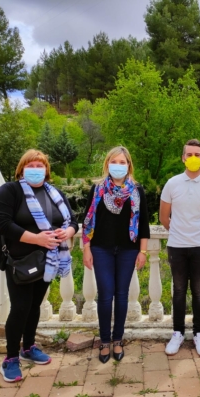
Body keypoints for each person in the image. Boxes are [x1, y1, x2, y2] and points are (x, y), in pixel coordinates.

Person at [0, 149, 79, 382]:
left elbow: (73, 221)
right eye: (31, 165)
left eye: (40, 165)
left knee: (34, 306)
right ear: (21, 169)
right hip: (20, 260)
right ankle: (10, 358)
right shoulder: (10, 191)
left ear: (47, 170)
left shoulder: (54, 192)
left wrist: (67, 231)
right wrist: (37, 238)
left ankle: (28, 347)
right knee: (20, 307)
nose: (36, 169)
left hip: (48, 261)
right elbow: (2, 223)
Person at [82, 146, 150, 364]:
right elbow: (87, 221)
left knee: (121, 295)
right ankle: (104, 341)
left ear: (129, 165)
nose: (118, 166)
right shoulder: (97, 189)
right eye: (114, 161)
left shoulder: (137, 190)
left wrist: (143, 251)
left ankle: (118, 339)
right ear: (107, 164)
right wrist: (86, 249)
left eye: (123, 162)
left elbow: (144, 225)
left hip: (128, 250)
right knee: (105, 294)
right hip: (101, 249)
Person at [160, 139, 200, 357]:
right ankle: (177, 333)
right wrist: (180, 232)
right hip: (177, 246)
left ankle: (199, 334)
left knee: (198, 292)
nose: (193, 158)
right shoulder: (172, 184)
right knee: (178, 291)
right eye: (189, 154)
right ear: (183, 158)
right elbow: (163, 217)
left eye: (197, 154)